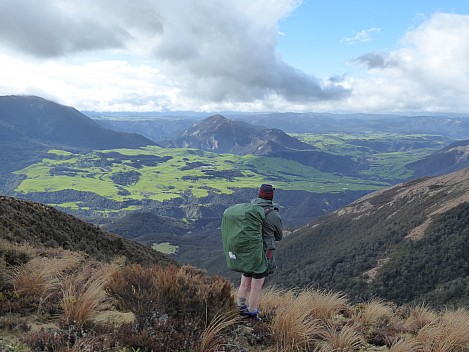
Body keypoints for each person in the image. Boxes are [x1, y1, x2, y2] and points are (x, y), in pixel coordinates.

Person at [236, 183, 283, 320]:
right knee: (256, 286)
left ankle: (239, 308)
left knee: (244, 282)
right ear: (271, 197)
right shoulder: (273, 215)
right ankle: (252, 313)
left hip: (248, 252)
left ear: (259, 194)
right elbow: (279, 236)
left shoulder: (249, 209)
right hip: (263, 254)